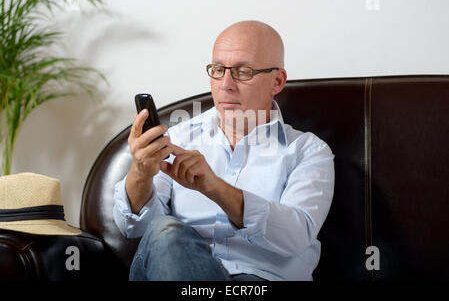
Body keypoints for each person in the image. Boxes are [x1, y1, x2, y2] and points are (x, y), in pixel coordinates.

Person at [113, 20, 335, 281]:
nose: (225, 84)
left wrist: (214, 187)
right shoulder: (177, 138)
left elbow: (295, 237)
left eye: (243, 72)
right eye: (218, 70)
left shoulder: (308, 151)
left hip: (259, 280)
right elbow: (135, 227)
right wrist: (140, 173)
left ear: (277, 80)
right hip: (177, 267)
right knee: (167, 233)